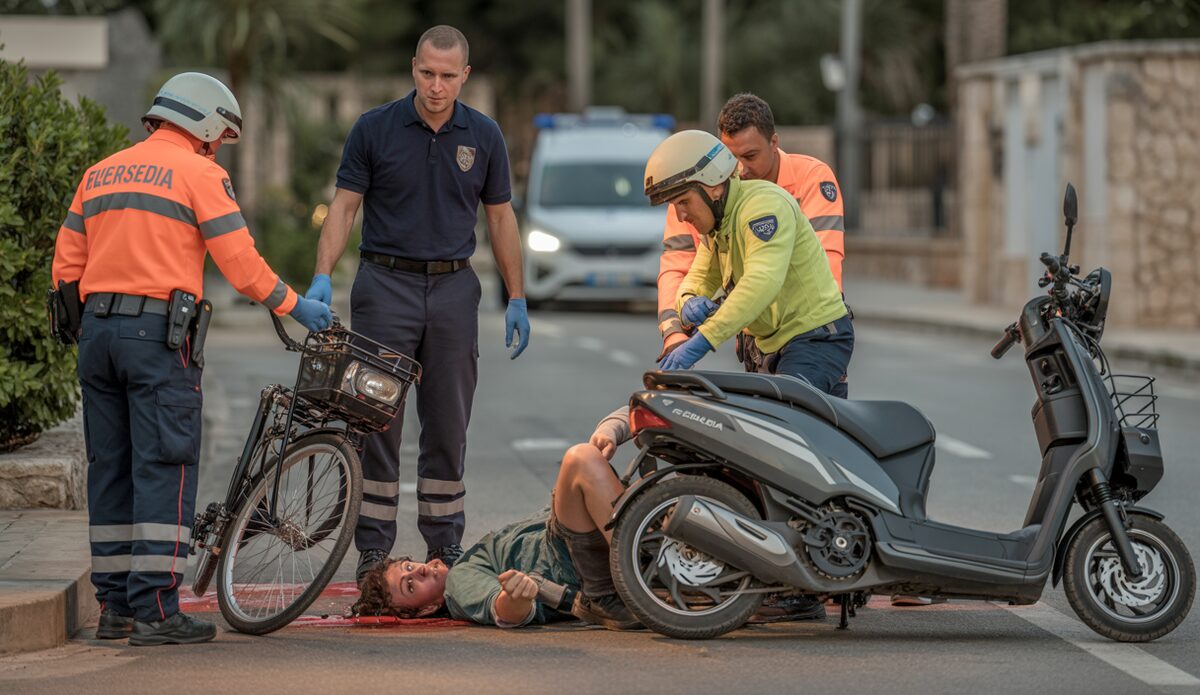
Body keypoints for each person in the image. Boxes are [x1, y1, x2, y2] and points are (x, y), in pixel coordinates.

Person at [51, 72, 332, 646]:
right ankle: (156, 609)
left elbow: (65, 263)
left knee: (113, 467)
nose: (216, 147)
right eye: (218, 137)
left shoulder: (102, 172)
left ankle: (114, 609)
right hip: (156, 338)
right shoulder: (201, 173)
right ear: (204, 125)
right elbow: (238, 259)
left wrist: (92, 327)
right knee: (164, 463)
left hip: (97, 333)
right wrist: (293, 304)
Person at [304, 25, 531, 583]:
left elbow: (500, 218)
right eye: (427, 73)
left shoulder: (485, 136)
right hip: (385, 286)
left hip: (454, 289)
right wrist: (321, 276)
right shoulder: (374, 128)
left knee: (448, 426)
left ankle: (444, 546)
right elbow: (344, 207)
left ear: (465, 76)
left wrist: (518, 296)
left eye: (448, 76)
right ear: (413, 67)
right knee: (375, 421)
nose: (436, 85)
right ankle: (373, 550)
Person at [353, 415, 640, 630]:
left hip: (576, 539)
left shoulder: (466, 564)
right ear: (427, 608)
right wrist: (516, 595)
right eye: (411, 586)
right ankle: (644, 560)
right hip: (574, 561)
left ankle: (652, 548)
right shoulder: (458, 584)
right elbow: (502, 610)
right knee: (580, 459)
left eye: (408, 568)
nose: (419, 572)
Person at [658, 93, 847, 389]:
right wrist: (682, 313)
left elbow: (777, 276)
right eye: (730, 158)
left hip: (809, 333)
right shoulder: (719, 207)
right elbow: (682, 265)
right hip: (763, 335)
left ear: (774, 143)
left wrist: (705, 339)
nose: (740, 169)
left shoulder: (786, 192)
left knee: (788, 418)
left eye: (750, 156)